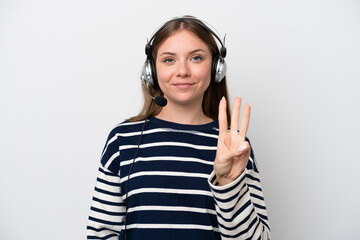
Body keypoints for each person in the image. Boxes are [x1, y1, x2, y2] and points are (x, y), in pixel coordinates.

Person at [87, 16, 270, 240]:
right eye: (169, 60)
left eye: (196, 58)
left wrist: (228, 184)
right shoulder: (123, 140)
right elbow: (100, 234)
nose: (182, 71)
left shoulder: (233, 146)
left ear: (216, 68)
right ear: (151, 71)